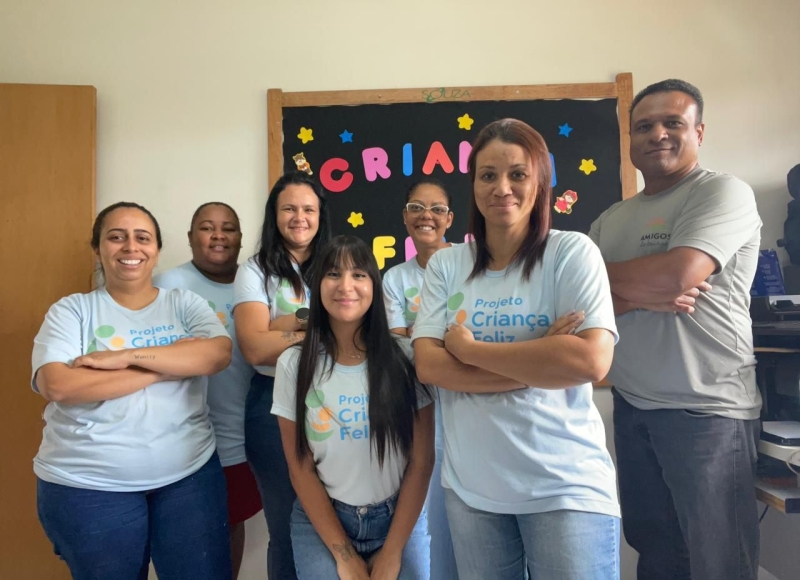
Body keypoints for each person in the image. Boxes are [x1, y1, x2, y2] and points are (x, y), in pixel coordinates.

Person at [413, 118, 620, 580]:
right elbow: (429, 365)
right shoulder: (447, 265)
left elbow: (590, 360)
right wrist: (542, 355)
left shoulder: (572, 253)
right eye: (488, 175)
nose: (501, 188)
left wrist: (469, 351)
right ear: (473, 184)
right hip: (473, 493)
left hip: (565, 488)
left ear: (540, 181)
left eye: (517, 174)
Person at [588, 79, 762, 580]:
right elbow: (580, 302)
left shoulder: (722, 193)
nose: (657, 134)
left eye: (672, 123)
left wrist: (650, 281)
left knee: (719, 564)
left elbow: (678, 276)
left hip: (707, 412)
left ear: (698, 132)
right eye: (644, 126)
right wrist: (645, 292)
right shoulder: (610, 219)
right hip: (633, 407)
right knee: (657, 555)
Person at [32, 202, 233, 580]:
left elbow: (217, 355)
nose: (130, 247)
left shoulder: (184, 303)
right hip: (88, 486)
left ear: (156, 250)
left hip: (188, 478)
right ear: (97, 249)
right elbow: (58, 385)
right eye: (116, 237)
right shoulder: (71, 311)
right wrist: (166, 366)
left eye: (142, 238)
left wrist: (123, 357)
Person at [273, 235, 434, 579]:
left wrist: (392, 553)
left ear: (374, 285)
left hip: (399, 519)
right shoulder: (293, 364)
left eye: (358, 274)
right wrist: (344, 555)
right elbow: (300, 468)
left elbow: (421, 462)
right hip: (324, 522)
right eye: (333, 273)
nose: (345, 286)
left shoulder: (405, 357)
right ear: (318, 285)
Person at [154, 202, 260, 579]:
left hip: (242, 437)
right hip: (179, 439)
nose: (218, 236)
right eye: (207, 227)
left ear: (240, 238)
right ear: (190, 237)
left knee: (230, 524)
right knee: (181, 537)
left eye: (228, 228)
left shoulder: (256, 283)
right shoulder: (166, 285)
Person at [233, 171, 331, 580]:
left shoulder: (338, 264)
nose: (299, 217)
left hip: (335, 399)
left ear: (321, 215)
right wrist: (317, 325)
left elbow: (359, 331)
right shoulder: (255, 270)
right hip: (272, 401)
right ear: (274, 214)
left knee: (340, 520)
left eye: (309, 209)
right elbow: (255, 347)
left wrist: (282, 325)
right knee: (288, 525)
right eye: (289, 208)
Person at [382, 177, 459, 579]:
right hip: (419, 405)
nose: (425, 216)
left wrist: (422, 335)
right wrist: (444, 338)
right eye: (416, 207)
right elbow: (398, 347)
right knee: (426, 512)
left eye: (436, 209)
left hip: (472, 402)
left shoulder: (471, 263)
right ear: (404, 216)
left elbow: (476, 336)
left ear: (450, 218)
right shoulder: (395, 279)